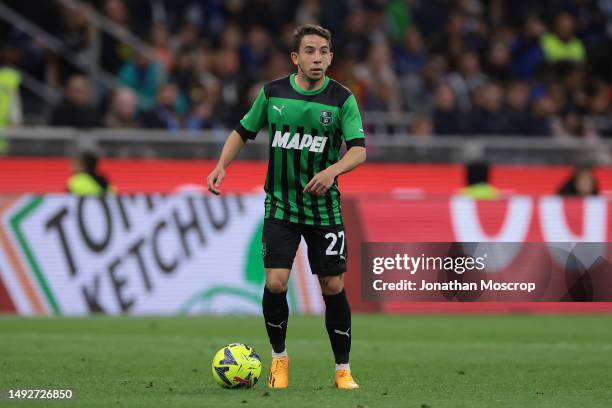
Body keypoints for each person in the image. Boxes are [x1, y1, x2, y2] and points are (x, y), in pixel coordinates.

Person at [206, 24, 366, 390]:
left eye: (323, 51)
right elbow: (243, 130)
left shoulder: (342, 99)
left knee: (333, 284)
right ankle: (279, 360)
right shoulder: (273, 93)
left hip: (324, 208)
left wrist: (333, 170)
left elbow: (359, 149)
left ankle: (343, 369)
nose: (317, 58)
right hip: (281, 205)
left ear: (331, 57)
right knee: (276, 283)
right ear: (296, 58)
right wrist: (221, 165)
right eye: (309, 51)